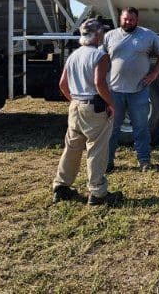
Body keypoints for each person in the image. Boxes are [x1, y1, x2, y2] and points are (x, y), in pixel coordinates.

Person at [52, 19, 123, 206]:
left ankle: (61, 186)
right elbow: (100, 84)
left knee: (72, 148)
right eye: (102, 32)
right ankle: (98, 192)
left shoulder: (74, 56)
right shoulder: (100, 56)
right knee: (97, 149)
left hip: (75, 106)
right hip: (94, 107)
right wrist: (112, 103)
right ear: (97, 34)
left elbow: (62, 84)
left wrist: (74, 99)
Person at [104, 7, 159, 172]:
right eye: (125, 19)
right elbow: (101, 59)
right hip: (114, 92)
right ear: (120, 18)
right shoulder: (109, 36)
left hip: (138, 91)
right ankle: (107, 162)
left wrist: (155, 73)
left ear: (137, 20)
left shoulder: (147, 35)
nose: (128, 22)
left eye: (131, 19)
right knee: (112, 129)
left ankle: (144, 160)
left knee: (141, 128)